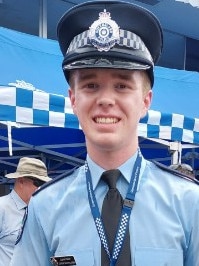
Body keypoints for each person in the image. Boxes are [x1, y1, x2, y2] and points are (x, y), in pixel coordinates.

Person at [10, 1, 199, 265]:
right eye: (91, 85)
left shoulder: (189, 203)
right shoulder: (45, 208)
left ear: (146, 100)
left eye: (122, 85)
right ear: (73, 99)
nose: (106, 99)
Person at [0, 157, 51, 266]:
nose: (42, 187)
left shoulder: (42, 211)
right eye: (38, 182)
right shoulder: (2, 207)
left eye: (44, 183)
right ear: (21, 181)